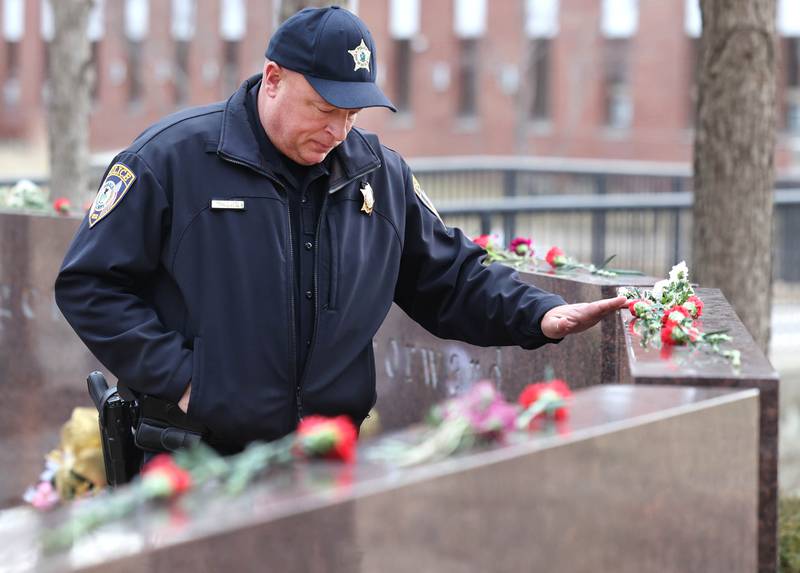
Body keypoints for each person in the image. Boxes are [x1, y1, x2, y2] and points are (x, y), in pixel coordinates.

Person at [55, 6, 625, 453]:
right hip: (196, 455)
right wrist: (185, 382)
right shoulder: (171, 159)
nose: (338, 130)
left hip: (327, 458)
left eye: (352, 114)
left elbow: (447, 278)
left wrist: (540, 315)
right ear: (273, 79)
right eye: (324, 109)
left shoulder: (379, 172)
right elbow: (91, 284)